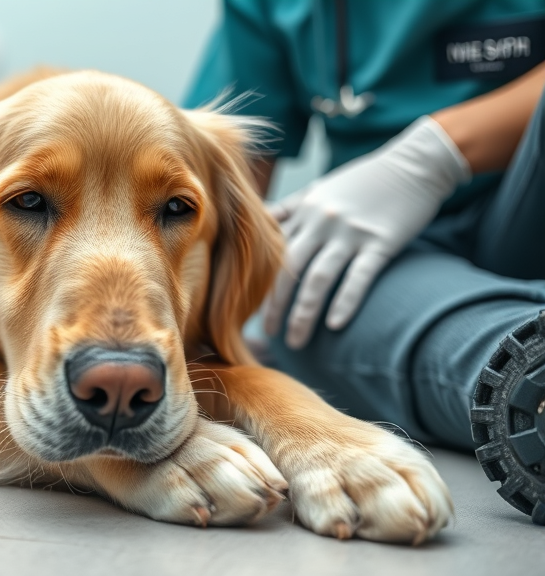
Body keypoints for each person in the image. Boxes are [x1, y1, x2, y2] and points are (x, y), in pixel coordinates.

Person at [185, 0, 545, 523]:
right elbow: (224, 188)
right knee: (309, 304)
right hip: (388, 255)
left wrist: (437, 154)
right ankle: (524, 367)